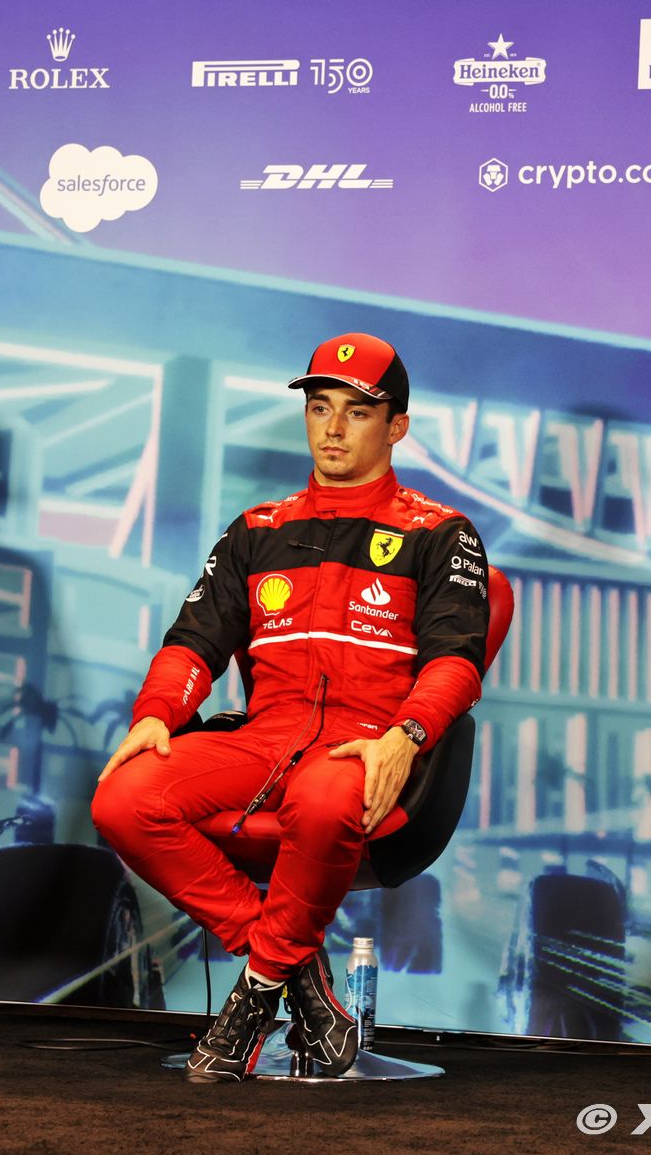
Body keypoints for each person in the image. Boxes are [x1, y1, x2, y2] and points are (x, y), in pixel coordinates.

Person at [92, 332, 490, 1082]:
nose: (333, 429)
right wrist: (156, 715)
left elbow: (455, 663)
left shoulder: (440, 534)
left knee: (326, 797)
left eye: (357, 412)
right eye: (319, 408)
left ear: (397, 427)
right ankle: (298, 978)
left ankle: (249, 1003)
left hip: (363, 743)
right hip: (264, 737)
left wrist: (406, 736)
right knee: (122, 798)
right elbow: (194, 642)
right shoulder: (258, 530)